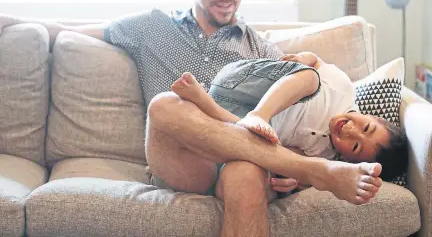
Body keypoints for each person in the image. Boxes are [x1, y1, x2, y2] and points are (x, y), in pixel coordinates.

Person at [0, 0, 385, 237]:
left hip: (239, 162)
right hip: (180, 160)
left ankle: (313, 171)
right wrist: (8, 19)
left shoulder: (260, 49)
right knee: (165, 104)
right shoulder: (153, 27)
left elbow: (283, 127)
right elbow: (72, 31)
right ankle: (320, 171)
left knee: (242, 171)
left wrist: (292, 173)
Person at [170, 51, 407, 190]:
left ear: (347, 159)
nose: (352, 131)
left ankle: (205, 104)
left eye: (356, 145)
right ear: (372, 116)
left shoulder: (322, 154)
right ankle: (260, 114)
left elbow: (291, 157)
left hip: (230, 115)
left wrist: (291, 179)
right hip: (248, 82)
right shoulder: (342, 88)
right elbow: (315, 60)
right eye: (366, 127)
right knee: (311, 78)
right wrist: (302, 59)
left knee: (269, 147)